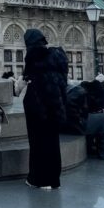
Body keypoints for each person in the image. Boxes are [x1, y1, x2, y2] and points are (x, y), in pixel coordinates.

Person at [22, 29, 67, 189]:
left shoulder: (35, 57)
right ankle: (54, 180)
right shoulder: (57, 57)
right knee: (53, 145)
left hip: (39, 108)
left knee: (38, 146)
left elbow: (29, 79)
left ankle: (38, 179)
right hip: (56, 107)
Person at [64, 81, 104, 161]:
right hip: (72, 126)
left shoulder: (73, 89)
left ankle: (93, 147)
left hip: (60, 125)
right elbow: (81, 114)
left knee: (98, 118)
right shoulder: (82, 93)